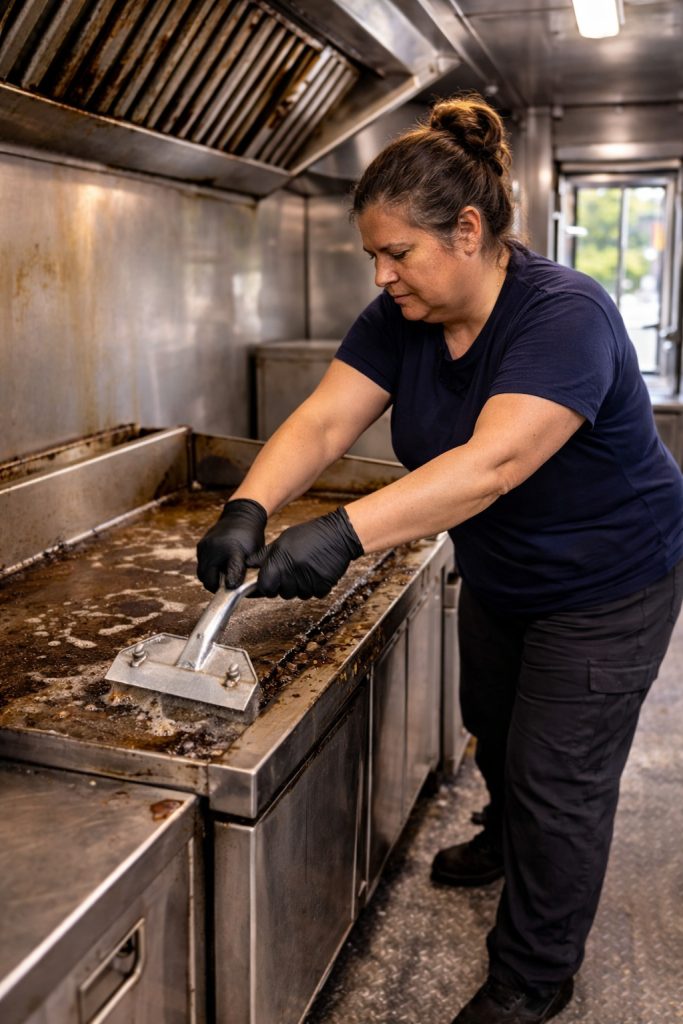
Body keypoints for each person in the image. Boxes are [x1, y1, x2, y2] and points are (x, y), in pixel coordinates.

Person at [196, 94, 683, 1023]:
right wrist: (248, 505)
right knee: (493, 728)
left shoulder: (563, 314)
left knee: (557, 781)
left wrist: (340, 535)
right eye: (372, 257)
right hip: (506, 571)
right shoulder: (403, 315)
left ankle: (532, 977)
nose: (382, 276)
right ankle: (506, 837)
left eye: (397, 253)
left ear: (467, 231)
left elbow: (490, 463)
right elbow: (326, 416)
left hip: (607, 582)